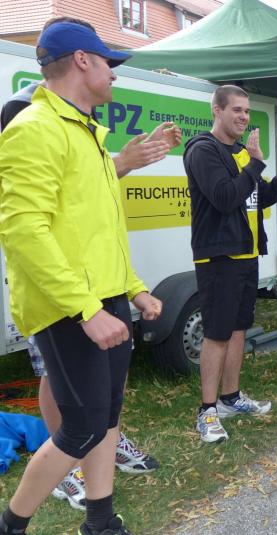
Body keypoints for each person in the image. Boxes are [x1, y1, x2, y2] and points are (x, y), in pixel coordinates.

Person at [0, 18, 179, 512]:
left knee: (105, 419)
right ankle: (12, 522)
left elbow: (99, 231)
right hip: (70, 306)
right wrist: (85, 309)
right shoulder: (33, 128)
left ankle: (100, 520)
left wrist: (134, 288)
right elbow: (23, 230)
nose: (114, 72)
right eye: (107, 61)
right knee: (80, 428)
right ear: (81, 60)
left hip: (107, 297)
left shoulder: (88, 133)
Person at [184, 85, 277, 444]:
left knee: (238, 328)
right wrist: (255, 163)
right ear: (217, 111)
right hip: (219, 256)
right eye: (236, 110)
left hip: (246, 253)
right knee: (217, 333)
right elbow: (225, 198)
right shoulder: (203, 150)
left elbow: (258, 196)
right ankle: (207, 410)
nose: (243, 117)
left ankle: (231, 397)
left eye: (247, 111)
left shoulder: (240, 152)